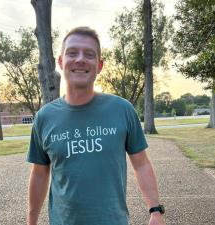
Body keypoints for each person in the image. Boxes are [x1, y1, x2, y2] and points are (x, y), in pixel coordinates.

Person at [26, 26, 165, 225]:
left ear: (99, 65)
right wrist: (31, 221)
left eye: (89, 54)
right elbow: (39, 173)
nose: (80, 59)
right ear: (60, 61)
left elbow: (141, 163)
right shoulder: (44, 117)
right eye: (72, 53)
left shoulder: (122, 109)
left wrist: (156, 211)